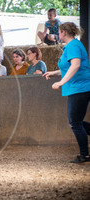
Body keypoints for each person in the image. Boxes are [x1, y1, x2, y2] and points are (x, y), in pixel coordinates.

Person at [43, 22, 90, 163]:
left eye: (59, 32)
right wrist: (56, 73)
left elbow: (76, 65)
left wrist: (61, 83)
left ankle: (85, 155)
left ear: (63, 32)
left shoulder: (74, 46)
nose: (58, 34)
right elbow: (68, 67)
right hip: (77, 88)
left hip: (80, 88)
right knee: (77, 122)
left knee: (75, 123)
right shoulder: (71, 46)